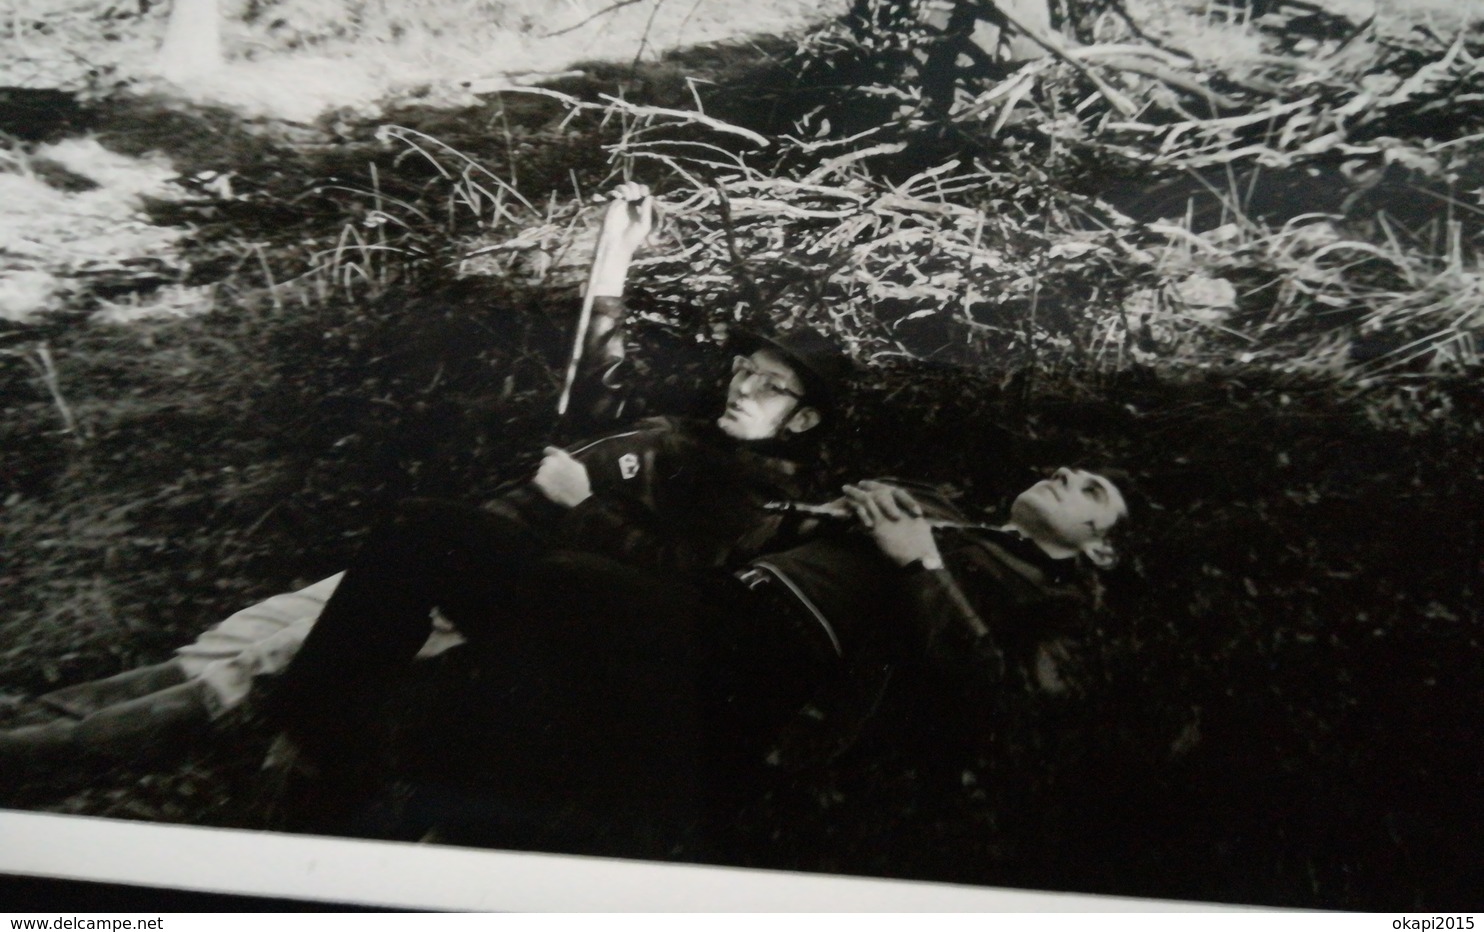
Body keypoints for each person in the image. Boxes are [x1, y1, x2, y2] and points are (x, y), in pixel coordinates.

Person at [0, 184, 846, 777]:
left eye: (772, 386)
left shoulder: (755, 488)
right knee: (228, 641)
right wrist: (612, 256)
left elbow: (675, 584)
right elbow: (594, 387)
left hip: (481, 591)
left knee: (248, 669)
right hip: (428, 553)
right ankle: (31, 721)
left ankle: (32, 753)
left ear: (804, 419)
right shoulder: (685, 428)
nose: (744, 387)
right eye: (746, 369)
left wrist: (581, 510)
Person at [262, 464, 1128, 847]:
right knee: (429, 532)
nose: (1064, 475)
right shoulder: (931, 498)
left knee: (555, 588)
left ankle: (363, 788)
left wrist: (920, 562)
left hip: (761, 667)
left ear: (1099, 547)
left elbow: (1002, 700)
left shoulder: (1053, 604)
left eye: (1090, 490)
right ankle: (315, 737)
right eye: (1067, 469)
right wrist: (812, 513)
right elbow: (742, 543)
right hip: (704, 608)